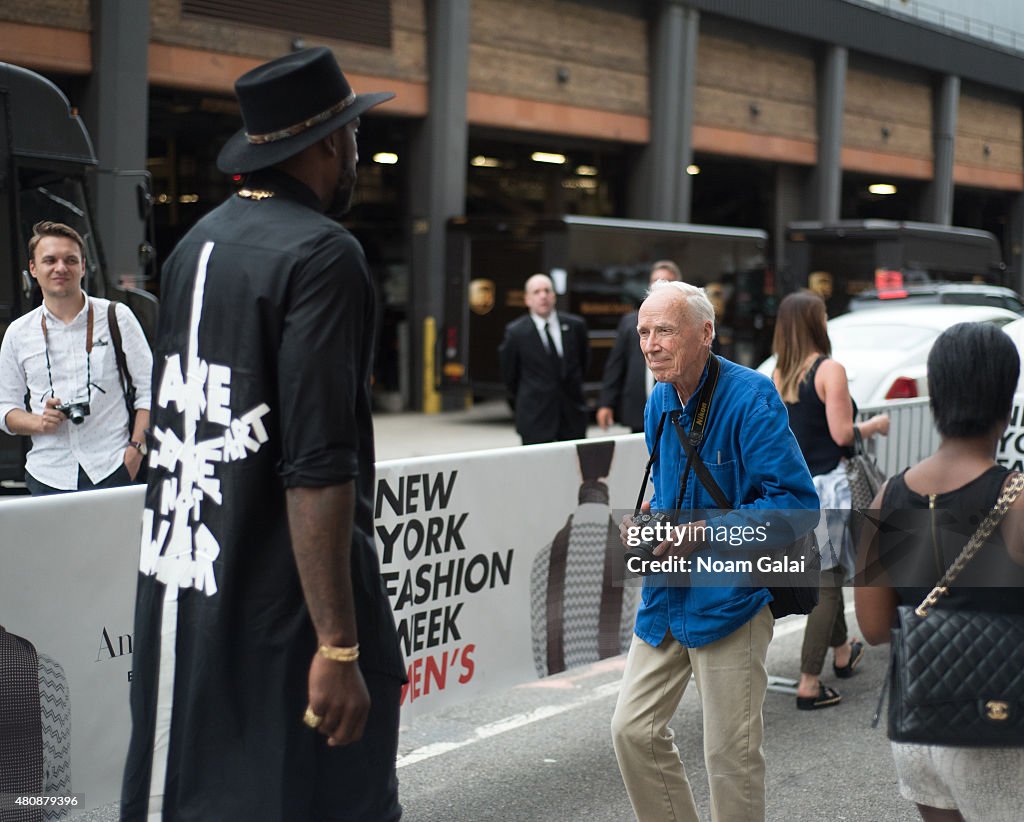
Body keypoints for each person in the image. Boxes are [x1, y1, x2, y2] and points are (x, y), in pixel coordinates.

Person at [121, 48, 405, 821]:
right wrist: (340, 646)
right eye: (351, 134)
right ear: (321, 145)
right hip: (284, 620)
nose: (358, 152)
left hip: (187, 600)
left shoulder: (193, 248)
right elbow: (317, 466)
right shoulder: (323, 255)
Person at [611, 280, 818, 822]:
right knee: (631, 729)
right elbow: (671, 489)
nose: (651, 345)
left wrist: (704, 531)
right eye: (643, 333)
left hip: (733, 598)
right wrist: (652, 522)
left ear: (705, 334)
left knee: (729, 756)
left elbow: (798, 507)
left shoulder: (751, 395)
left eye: (664, 331)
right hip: (669, 592)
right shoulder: (659, 397)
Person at [855, 322, 1024, 822]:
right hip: (998, 721)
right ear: (1006, 398)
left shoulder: (890, 496)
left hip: (919, 720)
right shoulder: (1015, 497)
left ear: (937, 396)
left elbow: (871, 628)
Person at [771, 291, 888, 710]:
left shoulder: (777, 374)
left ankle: (842, 652)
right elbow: (842, 435)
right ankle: (808, 681)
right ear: (815, 322)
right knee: (829, 578)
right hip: (830, 487)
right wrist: (874, 425)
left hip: (795, 489)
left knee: (824, 572)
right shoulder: (828, 370)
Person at [0, 221, 152, 494]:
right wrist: (39, 422)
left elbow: (150, 392)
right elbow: (5, 408)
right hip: (48, 476)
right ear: (33, 269)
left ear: (83, 266)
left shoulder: (116, 317)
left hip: (114, 468)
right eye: (49, 260)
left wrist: (136, 451)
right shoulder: (18, 333)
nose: (60, 268)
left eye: (70, 260)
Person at [499, 273, 589, 444]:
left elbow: (583, 363)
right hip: (535, 418)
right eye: (537, 292)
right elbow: (510, 376)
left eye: (547, 290)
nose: (543, 296)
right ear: (527, 299)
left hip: (571, 417)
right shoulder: (516, 333)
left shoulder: (575, 326)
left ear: (554, 295)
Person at [596, 260, 680, 433]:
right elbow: (616, 365)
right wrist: (606, 403)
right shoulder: (629, 322)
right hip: (639, 411)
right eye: (655, 282)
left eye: (666, 282)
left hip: (678, 411)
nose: (660, 287)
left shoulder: (689, 322)